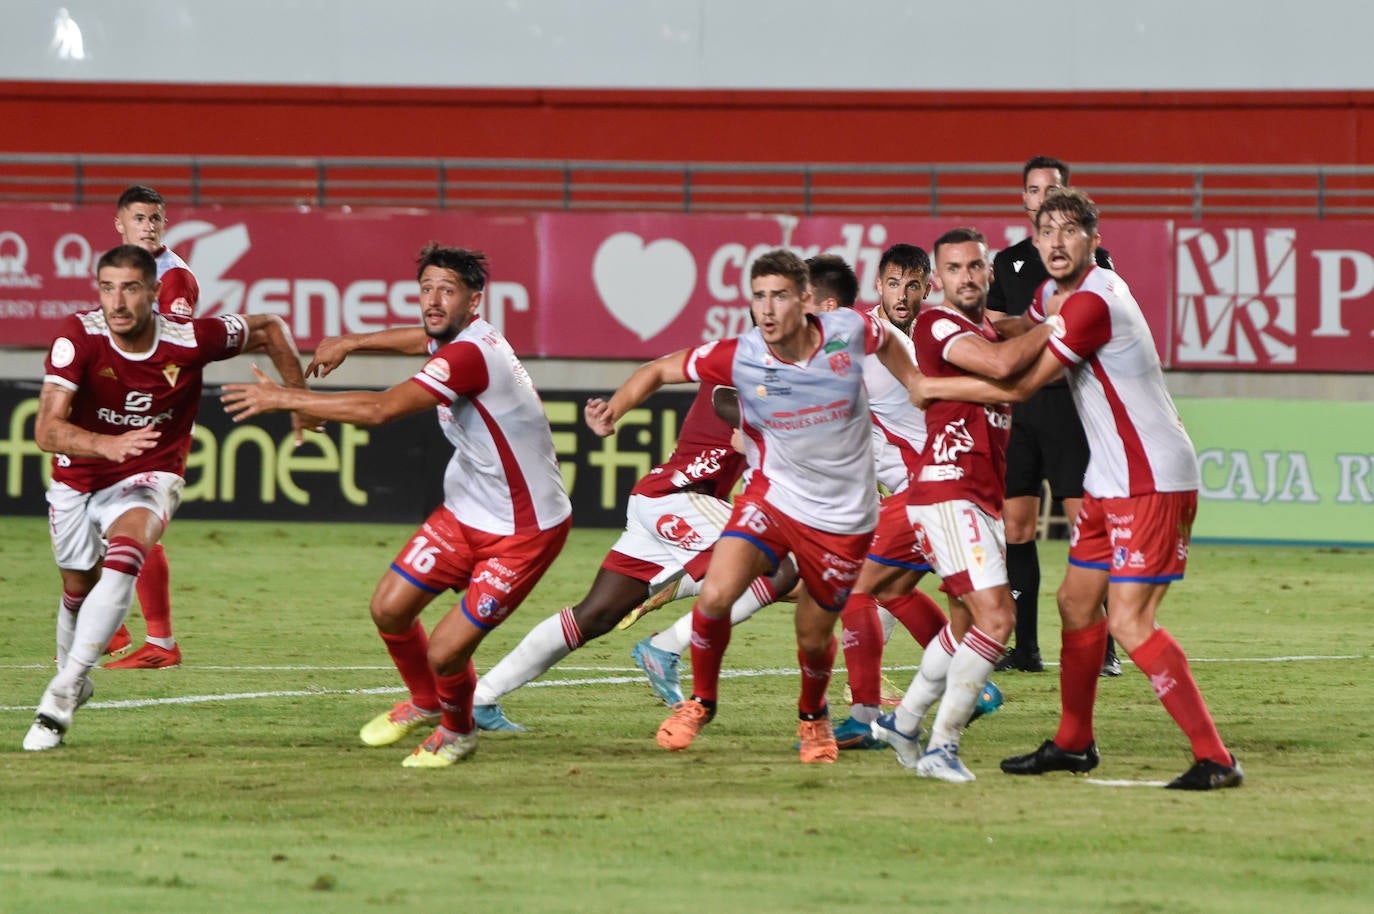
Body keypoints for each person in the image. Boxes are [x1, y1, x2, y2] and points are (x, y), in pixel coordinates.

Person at [918, 189, 1242, 790]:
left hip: (1150, 478)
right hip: (1108, 480)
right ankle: (1073, 743)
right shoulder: (1055, 295)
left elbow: (1017, 386)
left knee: (1129, 621)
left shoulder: (1093, 302)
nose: (1058, 241)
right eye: (1048, 231)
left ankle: (1215, 757)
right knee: (1074, 602)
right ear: (1034, 241)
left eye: (1071, 230)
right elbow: (1025, 323)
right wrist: (975, 323)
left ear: (1094, 239)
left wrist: (933, 385)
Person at [222, 243, 572, 768]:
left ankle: (459, 731)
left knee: (446, 651)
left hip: (525, 530)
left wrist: (286, 398)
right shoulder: (455, 336)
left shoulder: (470, 355)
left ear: (474, 301)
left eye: (446, 291)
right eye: (426, 288)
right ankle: (427, 701)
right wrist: (353, 341)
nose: (433, 300)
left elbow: (381, 409)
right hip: (466, 511)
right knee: (389, 608)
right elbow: (419, 339)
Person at [588, 248, 921, 763]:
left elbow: (890, 343)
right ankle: (700, 702)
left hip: (838, 516)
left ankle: (813, 717)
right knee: (718, 593)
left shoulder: (847, 332)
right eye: (759, 296)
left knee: (813, 635)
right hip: (769, 499)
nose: (767, 309)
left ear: (807, 301)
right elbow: (659, 370)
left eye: (780, 296)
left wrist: (918, 384)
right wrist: (615, 410)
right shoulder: (742, 352)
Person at [23, 244, 311, 751]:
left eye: (131, 288)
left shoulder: (189, 339)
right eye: (107, 287)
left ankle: (60, 697)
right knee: (76, 585)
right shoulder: (78, 337)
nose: (117, 301)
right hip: (77, 477)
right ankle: (75, 675)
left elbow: (269, 327)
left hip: (149, 473)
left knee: (128, 553)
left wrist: (299, 399)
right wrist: (105, 444)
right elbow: (47, 429)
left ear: (155, 292)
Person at [467, 381, 798, 730]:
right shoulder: (743, 363)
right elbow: (723, 402)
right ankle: (667, 643)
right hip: (683, 497)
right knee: (782, 570)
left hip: (662, 500)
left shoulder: (795, 377)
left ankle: (480, 698)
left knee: (595, 614)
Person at [868, 228, 1051, 782]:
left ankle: (902, 722)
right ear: (938, 282)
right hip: (947, 491)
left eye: (975, 267)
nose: (966, 277)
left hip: (978, 496)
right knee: (999, 618)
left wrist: (1058, 317)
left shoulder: (988, 326)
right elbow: (1003, 366)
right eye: (954, 269)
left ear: (989, 272)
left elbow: (1024, 338)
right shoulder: (936, 323)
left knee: (967, 625)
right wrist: (1064, 326)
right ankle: (941, 746)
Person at [987, 157, 1121, 677]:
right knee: (1016, 528)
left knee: (1087, 526)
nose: (1042, 197)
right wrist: (1038, 330)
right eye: (1033, 189)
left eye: (1053, 189)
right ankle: (1025, 648)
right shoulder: (1008, 262)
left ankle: (1103, 645)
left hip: (1072, 410)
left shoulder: (1095, 260)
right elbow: (997, 324)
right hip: (1020, 414)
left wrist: (1028, 332)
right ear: (1023, 200)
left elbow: (1082, 326)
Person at [102, 184, 204, 668]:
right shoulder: (121, 270)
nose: (149, 226)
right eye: (140, 218)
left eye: (156, 219)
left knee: (130, 518)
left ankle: (156, 642)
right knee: (99, 513)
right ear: (119, 223)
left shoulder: (174, 277)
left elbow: (174, 347)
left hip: (153, 410)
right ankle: (117, 630)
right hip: (121, 407)